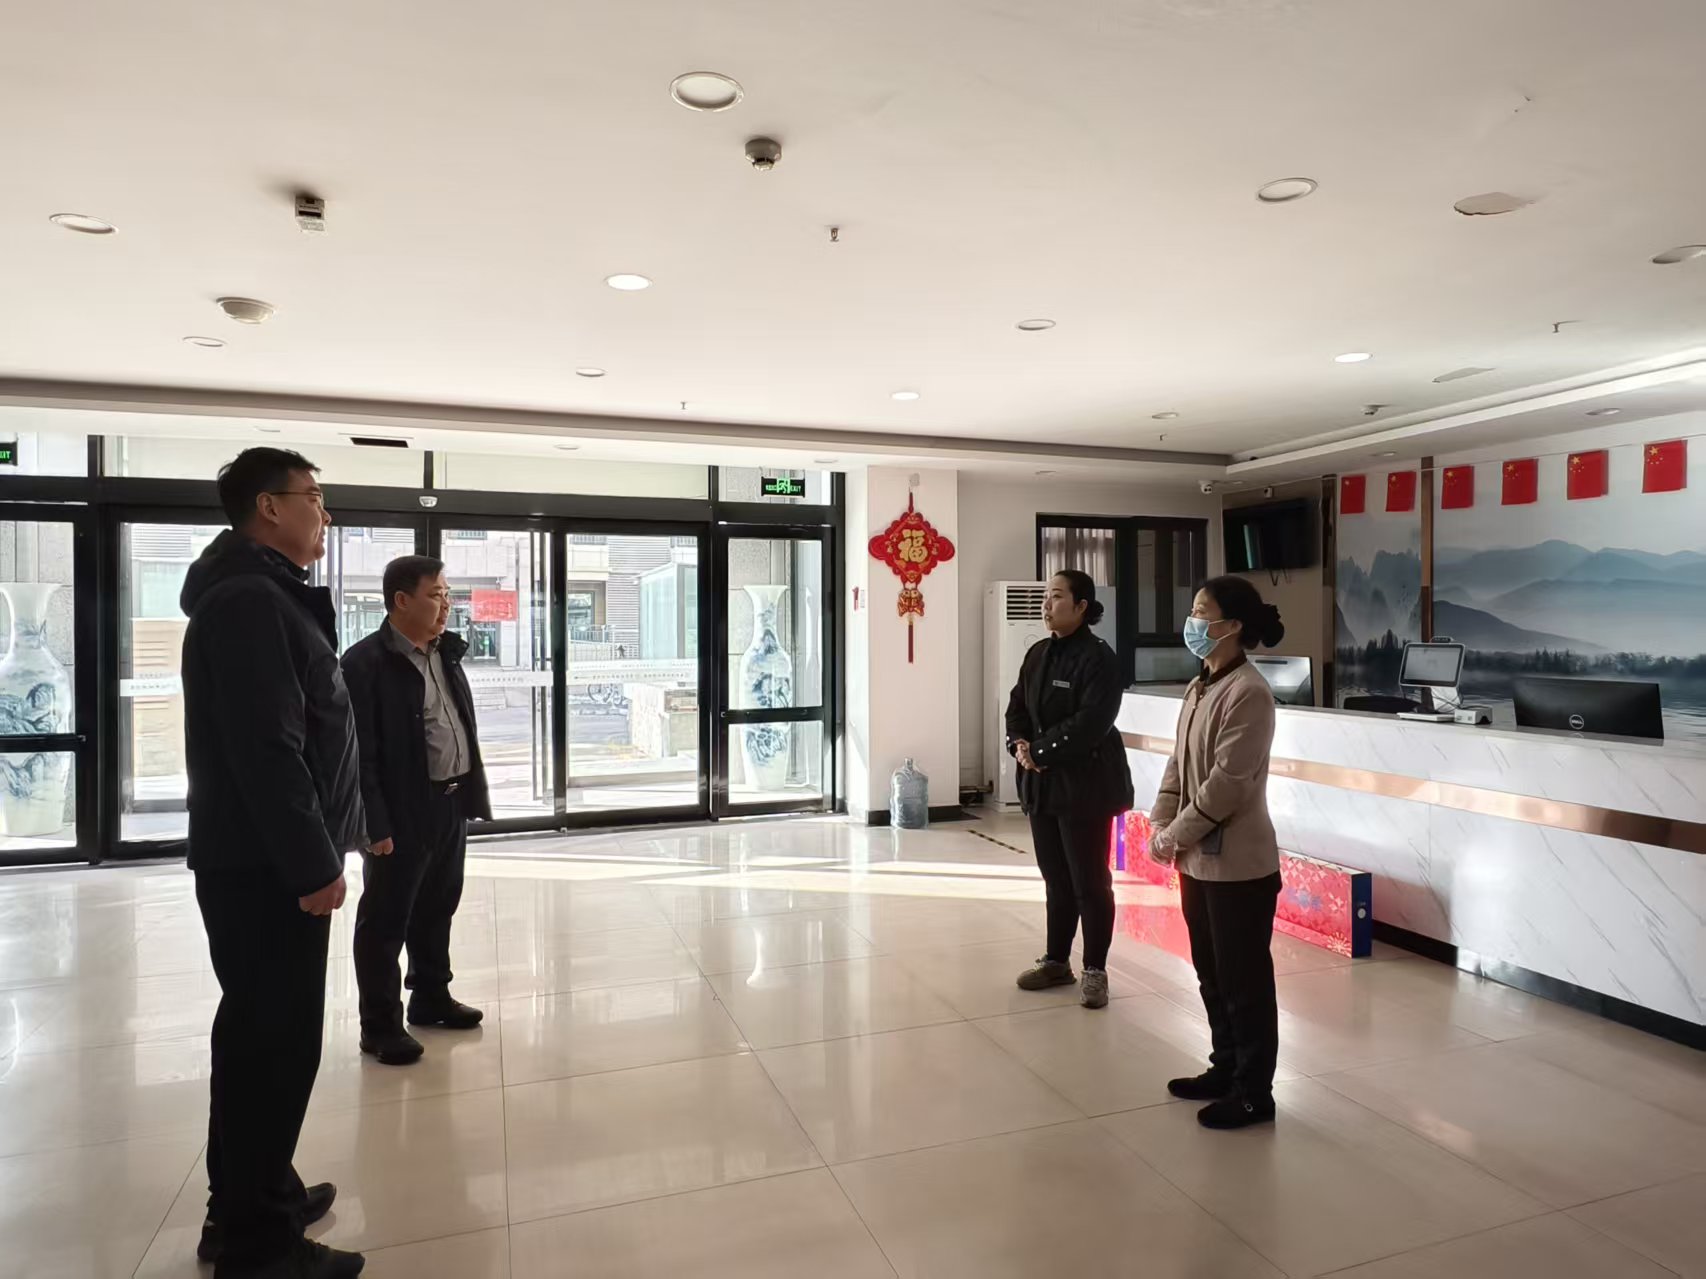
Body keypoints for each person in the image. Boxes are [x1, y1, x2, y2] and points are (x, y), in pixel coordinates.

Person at [179, 448, 367, 1278]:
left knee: (256, 1037)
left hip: (257, 860)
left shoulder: (256, 592)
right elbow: (269, 749)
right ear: (269, 506)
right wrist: (312, 863)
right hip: (266, 867)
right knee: (275, 1048)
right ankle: (259, 1245)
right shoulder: (252, 600)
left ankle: (251, 1200)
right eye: (313, 497)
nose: (324, 513)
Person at [1148, 575, 1285, 1131]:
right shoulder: (1200, 684)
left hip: (1239, 867)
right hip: (1199, 863)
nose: (1193, 622)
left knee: (1243, 980)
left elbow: (1226, 785)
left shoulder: (1249, 692)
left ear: (1232, 626)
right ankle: (1224, 1067)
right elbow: (1178, 764)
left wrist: (1174, 836)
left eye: (1203, 612)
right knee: (1211, 973)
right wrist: (1160, 821)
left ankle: (1254, 1092)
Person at [344, 555, 491, 1066]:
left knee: (438, 905)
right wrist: (374, 824)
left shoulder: (445, 653)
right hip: (401, 811)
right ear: (401, 600)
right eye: (435, 595)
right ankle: (379, 1025)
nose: (446, 605)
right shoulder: (365, 663)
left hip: (449, 803)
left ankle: (430, 996)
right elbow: (359, 754)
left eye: (448, 595)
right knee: (386, 920)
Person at [1005, 570, 1134, 1009]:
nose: (1047, 604)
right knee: (1055, 879)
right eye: (1046, 596)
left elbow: (1092, 722)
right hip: (1041, 785)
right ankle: (1056, 961)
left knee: (1089, 882)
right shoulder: (1038, 653)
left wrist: (1040, 751)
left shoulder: (1099, 658)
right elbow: (1017, 707)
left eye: (1057, 596)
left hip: (1086, 787)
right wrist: (1019, 745)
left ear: (1081, 606)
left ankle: (1095, 969)